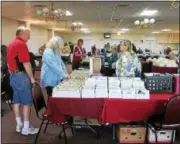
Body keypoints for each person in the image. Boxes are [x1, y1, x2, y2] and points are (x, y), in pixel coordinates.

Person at [6, 26, 38, 135]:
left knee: (16, 101)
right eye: (28, 34)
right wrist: (32, 79)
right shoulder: (21, 44)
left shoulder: (10, 44)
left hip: (13, 76)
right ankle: (26, 128)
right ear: (21, 34)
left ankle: (19, 125)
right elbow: (26, 63)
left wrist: (13, 75)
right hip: (21, 77)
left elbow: (8, 63)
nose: (29, 37)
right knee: (27, 103)